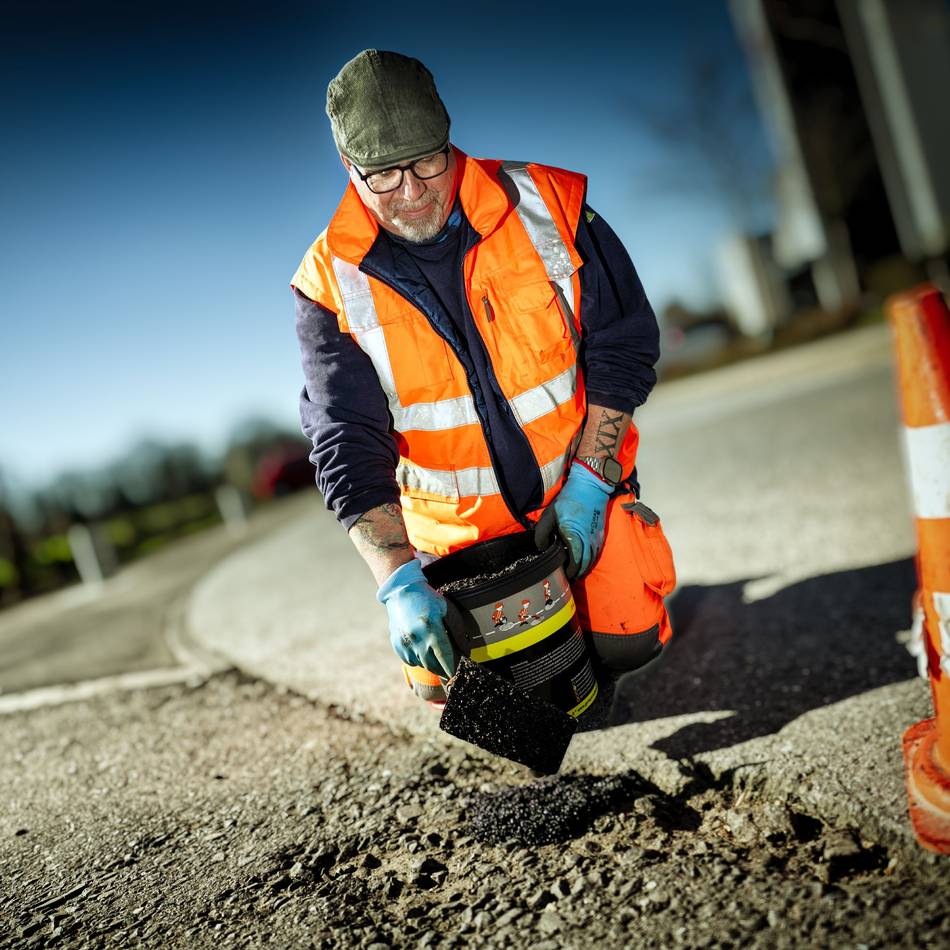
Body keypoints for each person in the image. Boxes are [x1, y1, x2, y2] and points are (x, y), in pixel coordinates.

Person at [292, 50, 676, 708]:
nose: (411, 193)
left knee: (629, 640)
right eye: (382, 175)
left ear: (450, 142)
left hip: (581, 493)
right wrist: (397, 581)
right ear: (348, 169)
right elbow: (345, 444)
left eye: (426, 162)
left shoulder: (547, 205)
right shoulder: (329, 283)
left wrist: (589, 481)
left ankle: (602, 605)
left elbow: (624, 341)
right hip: (460, 549)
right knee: (459, 688)